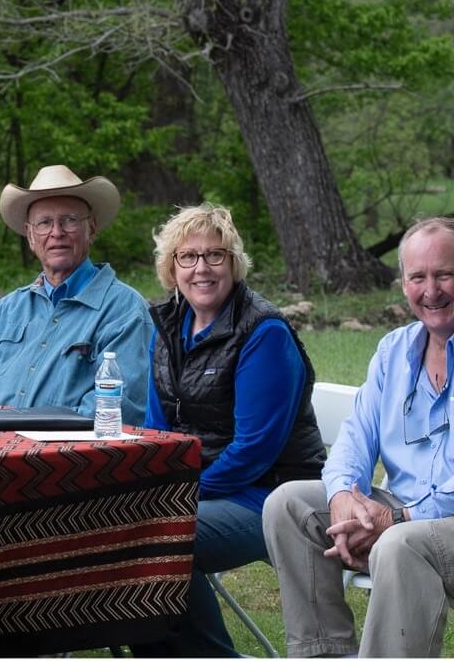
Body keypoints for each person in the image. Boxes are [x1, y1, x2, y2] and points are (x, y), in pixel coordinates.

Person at [263, 217, 454, 658]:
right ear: (403, 283)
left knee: (401, 544)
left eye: (444, 274)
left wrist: (397, 520)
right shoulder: (394, 350)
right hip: (409, 516)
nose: (431, 291)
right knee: (288, 504)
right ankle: (322, 654)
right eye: (417, 277)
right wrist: (344, 497)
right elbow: (356, 436)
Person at [131, 203, 326, 657]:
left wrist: (177, 497)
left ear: (233, 264)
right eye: (188, 257)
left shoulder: (264, 332)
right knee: (116, 527)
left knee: (161, 539)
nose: (202, 268)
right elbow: (158, 434)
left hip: (274, 497)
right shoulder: (167, 325)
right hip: (203, 493)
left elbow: (254, 451)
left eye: (215, 256)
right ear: (171, 267)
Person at [0, 165, 152, 425]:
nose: (56, 232)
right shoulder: (5, 311)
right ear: (31, 236)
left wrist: (21, 433)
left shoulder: (124, 309)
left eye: (69, 220)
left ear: (92, 229)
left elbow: (118, 406)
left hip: (68, 459)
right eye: (44, 223)